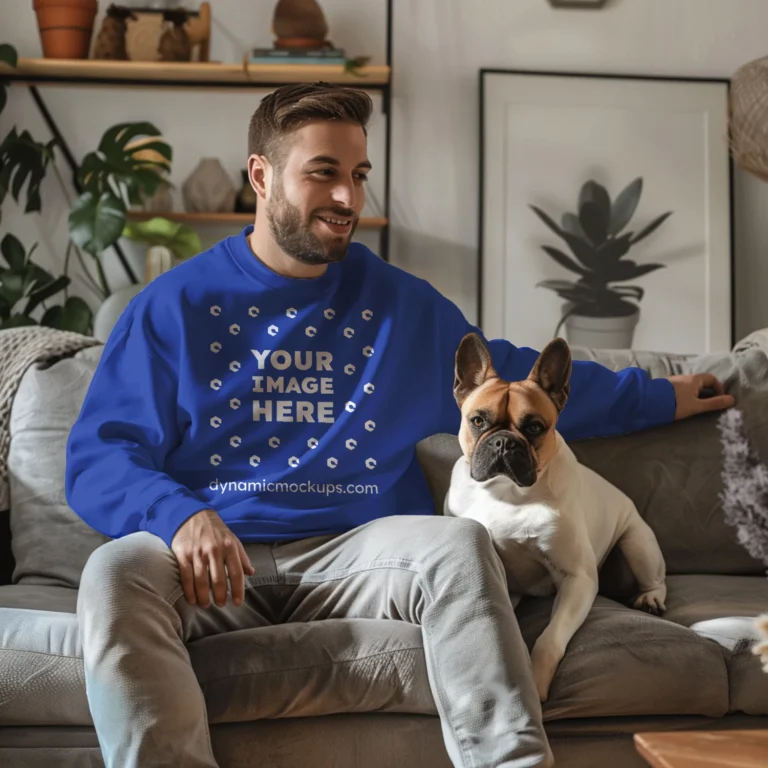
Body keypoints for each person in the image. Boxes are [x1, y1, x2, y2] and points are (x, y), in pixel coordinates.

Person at [65, 82, 734, 768]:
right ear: (261, 177)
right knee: (114, 573)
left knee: (458, 547)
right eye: (323, 172)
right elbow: (97, 457)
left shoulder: (400, 307)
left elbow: (516, 381)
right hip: (214, 560)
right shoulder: (174, 306)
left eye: (359, 176)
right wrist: (179, 517)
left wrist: (661, 396)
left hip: (361, 553)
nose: (349, 199)